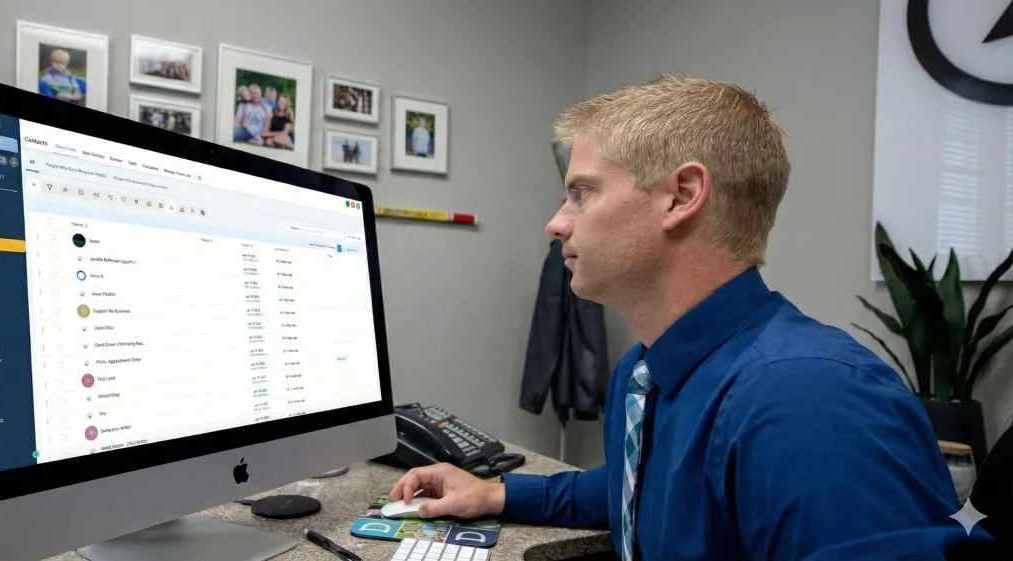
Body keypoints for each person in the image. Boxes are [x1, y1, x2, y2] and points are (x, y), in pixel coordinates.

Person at [389, 75, 995, 560]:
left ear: (682, 197)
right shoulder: (645, 370)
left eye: (581, 192)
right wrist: (495, 491)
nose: (557, 222)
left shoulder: (809, 402)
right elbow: (641, 486)